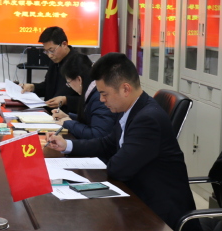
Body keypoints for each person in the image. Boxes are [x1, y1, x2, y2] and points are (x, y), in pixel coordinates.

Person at [46, 53, 200, 231]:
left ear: (125, 89)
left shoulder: (148, 119)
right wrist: (67, 145)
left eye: (104, 94)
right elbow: (107, 143)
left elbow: (118, 168)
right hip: (136, 197)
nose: (101, 100)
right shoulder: (130, 108)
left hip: (158, 214)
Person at [51, 53, 117, 139]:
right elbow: (91, 120)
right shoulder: (92, 91)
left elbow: (97, 134)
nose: (70, 86)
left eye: (69, 83)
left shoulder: (99, 97)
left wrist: (68, 123)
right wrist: (68, 117)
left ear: (79, 79)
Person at [21, 26, 78, 109]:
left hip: (67, 114)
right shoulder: (55, 60)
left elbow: (88, 99)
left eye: (51, 50)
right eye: (46, 51)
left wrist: (66, 100)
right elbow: (49, 87)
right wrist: (33, 87)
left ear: (64, 44)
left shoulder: (80, 62)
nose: (49, 55)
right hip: (49, 111)